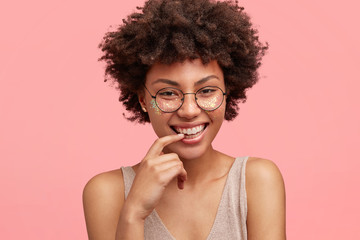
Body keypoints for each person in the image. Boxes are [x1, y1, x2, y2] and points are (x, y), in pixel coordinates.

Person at [82, 0, 286, 239]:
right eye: (168, 93)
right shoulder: (106, 193)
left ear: (227, 92)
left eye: (207, 90)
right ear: (143, 101)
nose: (189, 110)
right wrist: (134, 212)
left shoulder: (257, 180)